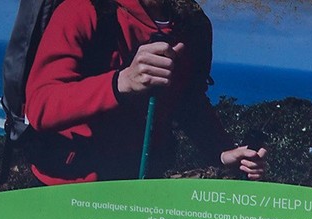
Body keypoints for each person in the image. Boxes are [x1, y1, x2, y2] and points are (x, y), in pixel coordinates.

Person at [23, 0, 266, 185]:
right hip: (67, 187)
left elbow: (189, 100)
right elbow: (40, 107)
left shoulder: (194, 24)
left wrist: (222, 152)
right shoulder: (83, 9)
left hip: (141, 186)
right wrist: (121, 82)